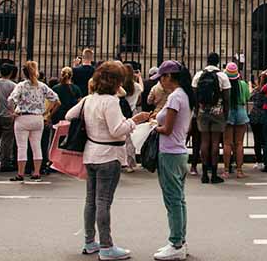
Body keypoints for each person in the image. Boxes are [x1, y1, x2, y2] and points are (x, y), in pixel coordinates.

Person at [66, 61, 149, 260]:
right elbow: (117, 130)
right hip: (109, 155)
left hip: (90, 153)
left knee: (91, 200)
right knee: (104, 201)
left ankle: (89, 241)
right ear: (115, 81)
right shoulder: (110, 102)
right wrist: (134, 121)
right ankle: (106, 246)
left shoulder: (89, 99)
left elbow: (70, 115)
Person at [152, 61, 195, 260]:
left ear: (169, 77)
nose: (160, 82)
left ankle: (176, 242)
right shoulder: (183, 95)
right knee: (179, 199)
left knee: (172, 199)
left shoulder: (175, 97)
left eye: (161, 77)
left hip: (169, 152)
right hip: (179, 151)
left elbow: (167, 129)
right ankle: (179, 241)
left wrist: (154, 127)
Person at [7, 60, 59, 181]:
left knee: (22, 147)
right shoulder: (42, 86)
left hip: (23, 117)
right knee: (36, 146)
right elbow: (55, 99)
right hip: (38, 118)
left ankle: (20, 173)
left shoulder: (20, 85)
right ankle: (36, 172)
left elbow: (11, 100)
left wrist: (12, 112)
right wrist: (47, 112)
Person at [191, 52, 230, 184]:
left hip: (202, 111)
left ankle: (204, 174)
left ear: (207, 61)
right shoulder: (222, 76)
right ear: (218, 62)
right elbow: (226, 98)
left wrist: (197, 111)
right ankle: (213, 174)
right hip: (217, 111)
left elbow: (194, 96)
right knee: (215, 143)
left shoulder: (198, 75)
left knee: (204, 141)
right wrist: (226, 114)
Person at [222, 62, 250, 178]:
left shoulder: (224, 83)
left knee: (227, 143)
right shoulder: (243, 84)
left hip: (228, 112)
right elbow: (248, 97)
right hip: (241, 111)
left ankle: (226, 170)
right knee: (239, 143)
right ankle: (239, 170)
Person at [0, 63, 17, 172]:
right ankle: (5, 162)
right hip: (7, 114)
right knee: (7, 140)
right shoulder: (13, 85)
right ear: (10, 73)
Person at [248, 72, 267, 169]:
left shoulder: (256, 90)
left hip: (255, 115)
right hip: (266, 115)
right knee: (265, 140)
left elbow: (250, 97)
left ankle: (258, 161)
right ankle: (266, 160)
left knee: (257, 139)